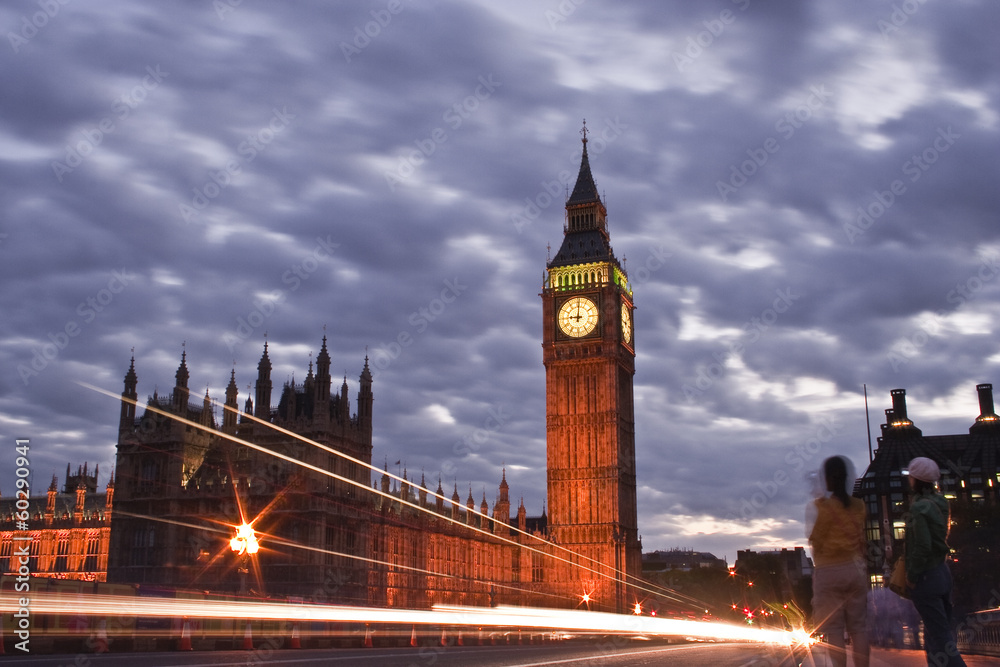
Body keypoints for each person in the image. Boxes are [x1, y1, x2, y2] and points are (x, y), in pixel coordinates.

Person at [807, 455, 870, 667]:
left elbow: (816, 540)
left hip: (829, 571)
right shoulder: (859, 506)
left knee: (834, 631)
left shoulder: (823, 508)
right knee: (858, 628)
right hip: (855, 569)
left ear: (828, 479)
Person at [905, 456, 968, 667]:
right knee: (934, 636)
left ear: (916, 480)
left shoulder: (919, 508)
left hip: (926, 577)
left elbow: (922, 546)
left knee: (940, 639)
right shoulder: (941, 502)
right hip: (943, 572)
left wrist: (912, 576)